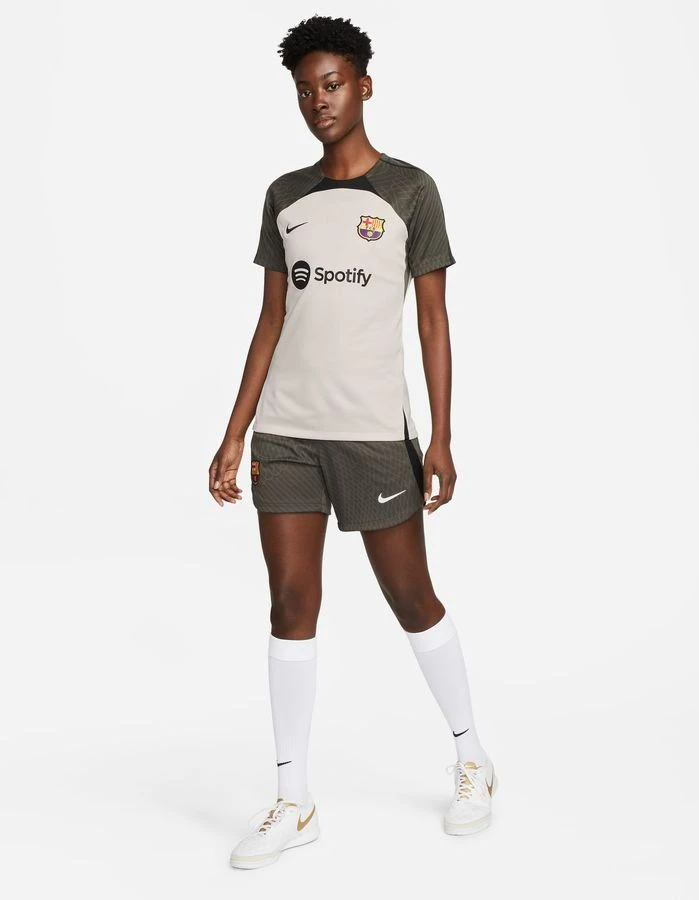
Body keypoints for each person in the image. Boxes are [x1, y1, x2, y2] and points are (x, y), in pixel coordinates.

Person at [208, 15, 496, 870]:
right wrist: (234, 433)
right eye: (305, 89)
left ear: (364, 85)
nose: (318, 101)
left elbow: (433, 320)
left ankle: (472, 756)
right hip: (288, 432)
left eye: (331, 84)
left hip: (373, 436)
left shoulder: (410, 191)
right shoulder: (285, 196)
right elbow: (271, 320)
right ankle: (294, 798)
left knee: (411, 596)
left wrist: (441, 436)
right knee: (290, 606)